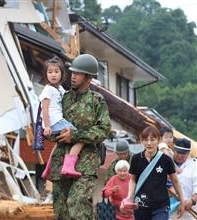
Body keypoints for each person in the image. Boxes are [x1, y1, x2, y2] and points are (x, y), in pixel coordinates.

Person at [49, 54, 111, 219]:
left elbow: (104, 130)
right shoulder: (63, 98)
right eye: (72, 72)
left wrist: (75, 135)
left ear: (89, 77)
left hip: (85, 164)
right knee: (61, 212)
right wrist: (49, 132)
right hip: (60, 163)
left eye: (78, 73)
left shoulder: (97, 101)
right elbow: (52, 123)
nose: (73, 76)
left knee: (77, 204)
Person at [123, 126, 185, 220]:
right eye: (145, 140)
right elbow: (133, 180)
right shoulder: (136, 159)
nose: (149, 143)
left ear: (159, 140)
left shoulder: (166, 159)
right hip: (141, 206)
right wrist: (129, 197)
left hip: (161, 206)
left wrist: (182, 202)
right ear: (141, 140)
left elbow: (175, 181)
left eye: (152, 139)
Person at [39, 57, 84, 179]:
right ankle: (68, 166)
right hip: (54, 121)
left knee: (59, 144)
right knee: (80, 137)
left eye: (56, 71)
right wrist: (47, 126)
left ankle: (48, 169)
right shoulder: (48, 89)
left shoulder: (59, 89)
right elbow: (45, 109)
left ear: (62, 74)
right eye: (50, 72)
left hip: (58, 120)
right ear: (45, 74)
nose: (53, 75)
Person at [171, 138, 197, 220]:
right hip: (166, 210)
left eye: (183, 154)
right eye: (178, 152)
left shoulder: (194, 166)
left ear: (189, 153)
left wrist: (192, 201)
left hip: (187, 214)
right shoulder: (165, 162)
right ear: (173, 149)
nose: (180, 156)